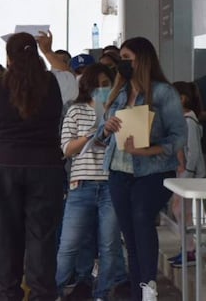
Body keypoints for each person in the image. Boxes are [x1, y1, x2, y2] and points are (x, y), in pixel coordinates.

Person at [0, 32, 64, 301]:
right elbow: (68, 75)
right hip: (47, 166)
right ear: (36, 53)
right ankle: (43, 293)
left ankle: (9, 292)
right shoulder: (58, 82)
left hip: (4, 166)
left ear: (8, 58)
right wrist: (49, 51)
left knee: (5, 232)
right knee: (42, 233)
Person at [98, 37, 186, 301]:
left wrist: (149, 150)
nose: (123, 64)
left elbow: (179, 136)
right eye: (121, 59)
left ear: (143, 60)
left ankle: (149, 286)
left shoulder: (163, 93)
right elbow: (101, 135)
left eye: (128, 58)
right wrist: (107, 128)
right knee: (129, 233)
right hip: (119, 170)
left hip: (153, 170)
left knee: (141, 217)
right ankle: (139, 292)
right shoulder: (118, 93)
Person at [56, 64, 127, 301]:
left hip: (111, 184)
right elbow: (67, 149)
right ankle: (55, 290)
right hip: (81, 185)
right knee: (69, 245)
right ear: (86, 86)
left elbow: (127, 147)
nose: (101, 89)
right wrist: (95, 132)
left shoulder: (121, 112)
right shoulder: (75, 111)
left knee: (109, 245)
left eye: (106, 84)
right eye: (96, 84)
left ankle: (102, 294)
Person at [168, 81, 206, 268]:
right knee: (181, 211)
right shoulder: (182, 120)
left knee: (183, 211)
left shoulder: (189, 122)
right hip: (183, 173)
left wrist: (188, 175)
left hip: (189, 176)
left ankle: (190, 251)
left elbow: (194, 152)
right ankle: (187, 249)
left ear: (182, 99)